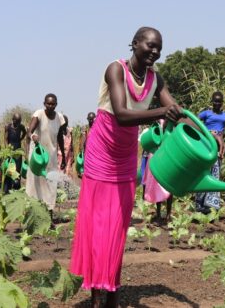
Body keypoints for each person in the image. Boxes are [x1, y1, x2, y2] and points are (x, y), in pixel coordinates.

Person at [69, 27, 182, 307]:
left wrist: (198, 130)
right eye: (149, 45)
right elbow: (121, 114)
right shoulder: (115, 69)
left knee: (118, 225)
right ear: (134, 44)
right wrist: (160, 112)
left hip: (126, 155)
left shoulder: (156, 79)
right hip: (101, 151)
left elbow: (174, 109)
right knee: (97, 226)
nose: (154, 51)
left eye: (159, 48)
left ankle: (113, 291)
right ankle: (97, 293)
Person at [26, 94, 65, 218]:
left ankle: (48, 216)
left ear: (56, 104)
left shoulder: (59, 117)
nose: (50, 106)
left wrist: (63, 155)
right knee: (34, 185)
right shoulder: (39, 114)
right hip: (38, 157)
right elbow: (29, 130)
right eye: (48, 103)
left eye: (53, 104)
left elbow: (60, 137)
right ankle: (32, 215)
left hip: (51, 156)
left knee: (50, 185)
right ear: (44, 104)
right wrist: (33, 136)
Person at [195, 91, 225, 213]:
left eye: (219, 101)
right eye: (215, 101)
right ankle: (199, 203)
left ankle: (210, 204)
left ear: (222, 103)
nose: (217, 103)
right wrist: (209, 133)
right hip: (206, 146)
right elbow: (194, 123)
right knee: (203, 173)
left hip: (217, 149)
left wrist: (220, 137)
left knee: (215, 174)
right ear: (212, 101)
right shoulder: (206, 114)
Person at [3, 113, 27, 192]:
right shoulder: (8, 127)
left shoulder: (21, 127)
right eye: (17, 121)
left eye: (20, 121)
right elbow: (5, 139)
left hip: (17, 149)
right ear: (13, 120)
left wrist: (20, 139)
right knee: (9, 168)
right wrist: (7, 149)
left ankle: (16, 187)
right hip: (10, 148)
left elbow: (24, 132)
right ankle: (7, 188)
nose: (19, 122)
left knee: (17, 167)